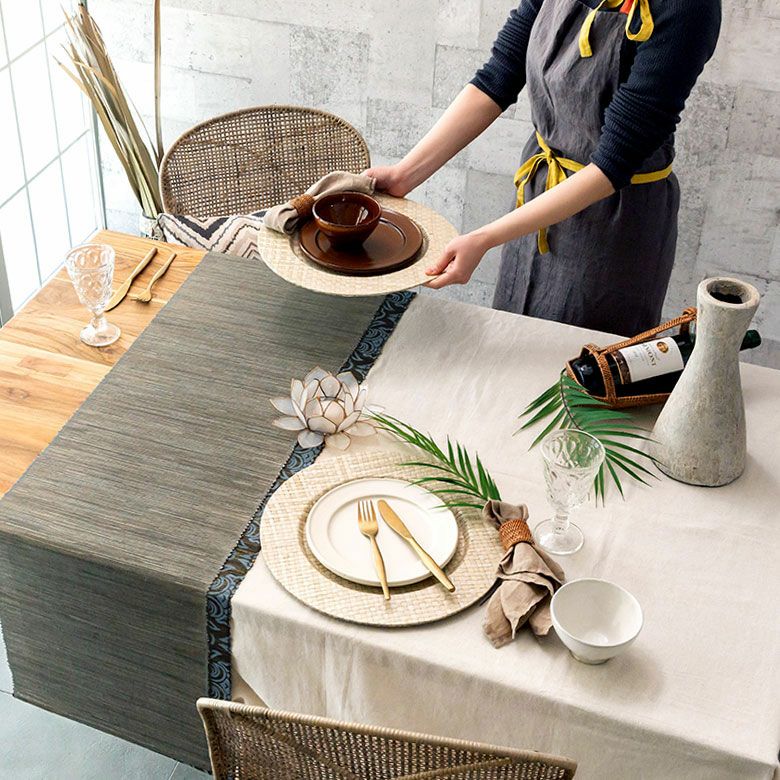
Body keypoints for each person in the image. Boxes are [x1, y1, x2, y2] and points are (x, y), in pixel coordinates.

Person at [365, 0, 722, 335]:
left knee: (579, 360)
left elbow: (614, 162)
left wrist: (484, 238)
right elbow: (498, 76)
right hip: (537, 193)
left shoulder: (688, 8)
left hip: (615, 222)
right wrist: (404, 175)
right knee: (512, 336)